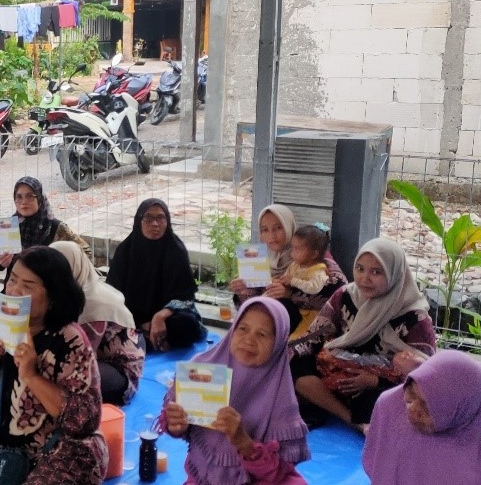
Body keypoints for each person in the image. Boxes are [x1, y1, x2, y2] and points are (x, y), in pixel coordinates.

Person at [0, 246, 107, 485]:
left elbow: (84, 421)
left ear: (53, 296)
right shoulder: (5, 329)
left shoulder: (69, 340)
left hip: (63, 453)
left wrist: (31, 375)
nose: (14, 291)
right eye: (13, 279)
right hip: (4, 454)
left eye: (28, 286)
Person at [289, 238, 437, 432]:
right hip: (337, 372)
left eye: (376, 272)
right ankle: (353, 421)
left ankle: (329, 407)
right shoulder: (345, 296)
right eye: (360, 269)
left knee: (389, 401)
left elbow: (426, 374)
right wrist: (287, 352)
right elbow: (315, 335)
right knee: (293, 366)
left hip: (378, 386)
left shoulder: (414, 317)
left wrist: (375, 381)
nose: (364, 278)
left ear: (394, 274)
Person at [159, 297, 310, 485]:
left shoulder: (281, 398)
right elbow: (177, 423)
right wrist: (176, 425)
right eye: (243, 329)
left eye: (262, 334)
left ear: (278, 343)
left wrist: (244, 443)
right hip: (203, 478)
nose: (249, 340)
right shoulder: (202, 369)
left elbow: (277, 475)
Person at [363, 350, 481, 485]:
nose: (413, 410)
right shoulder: (392, 407)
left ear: (461, 409)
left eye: (427, 406)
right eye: (411, 398)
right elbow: (378, 466)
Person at [51, 241, 143, 406]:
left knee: (66, 378)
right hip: (100, 356)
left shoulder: (93, 302)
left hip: (118, 372)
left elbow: (82, 358)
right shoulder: (71, 291)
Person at [230, 205, 345, 337]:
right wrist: (243, 292)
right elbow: (256, 306)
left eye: (278, 228)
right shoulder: (258, 258)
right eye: (265, 230)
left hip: (308, 332)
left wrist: (289, 294)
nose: (271, 235)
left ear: (289, 226)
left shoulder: (314, 257)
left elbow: (335, 296)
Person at [107, 198, 206, 351]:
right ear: (139, 220)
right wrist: (142, 322)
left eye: (160, 218)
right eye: (148, 218)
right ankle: (151, 339)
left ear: (168, 221)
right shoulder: (126, 251)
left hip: (167, 317)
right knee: (110, 324)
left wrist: (159, 317)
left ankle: (145, 341)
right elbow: (113, 296)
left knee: (187, 325)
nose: (155, 224)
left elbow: (186, 297)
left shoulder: (176, 250)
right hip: (131, 317)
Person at [0, 177, 92, 270]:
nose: (23, 202)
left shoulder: (54, 226)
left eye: (30, 196)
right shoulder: (9, 226)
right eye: (19, 197)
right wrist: (1, 262)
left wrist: (59, 268)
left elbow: (86, 253)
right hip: (16, 285)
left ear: (40, 198)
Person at [281, 226, 332, 296]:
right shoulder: (294, 265)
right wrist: (280, 281)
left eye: (297, 249)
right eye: (292, 247)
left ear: (314, 254)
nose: (292, 253)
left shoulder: (318, 271)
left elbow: (314, 288)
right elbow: (286, 277)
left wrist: (293, 281)